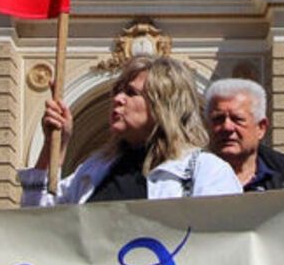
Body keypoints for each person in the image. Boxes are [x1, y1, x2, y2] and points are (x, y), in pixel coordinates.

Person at [21, 56, 240, 205]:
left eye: (131, 93)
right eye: (117, 91)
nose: (117, 99)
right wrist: (54, 144)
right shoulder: (93, 171)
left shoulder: (206, 172)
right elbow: (39, 222)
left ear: (163, 104)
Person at [203, 78, 284, 191]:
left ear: (261, 128)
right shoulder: (188, 179)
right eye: (218, 119)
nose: (227, 127)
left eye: (237, 119)